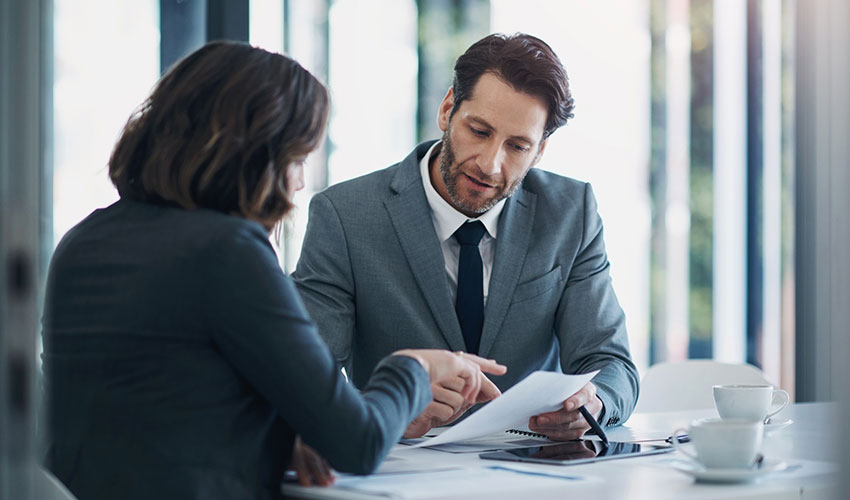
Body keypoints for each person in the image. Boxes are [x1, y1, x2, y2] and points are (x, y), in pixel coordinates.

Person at [40, 41, 505, 500]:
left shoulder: (84, 241)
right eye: (297, 159)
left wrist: (285, 437)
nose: (299, 182)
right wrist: (415, 369)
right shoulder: (226, 252)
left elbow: (162, 412)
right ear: (251, 153)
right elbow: (357, 444)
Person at [293, 32, 639, 441]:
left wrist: (594, 403)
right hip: (399, 459)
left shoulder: (570, 212)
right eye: (479, 131)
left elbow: (612, 364)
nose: (490, 165)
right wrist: (389, 408)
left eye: (517, 146)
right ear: (447, 110)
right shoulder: (345, 215)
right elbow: (304, 379)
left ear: (540, 151)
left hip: (529, 462)